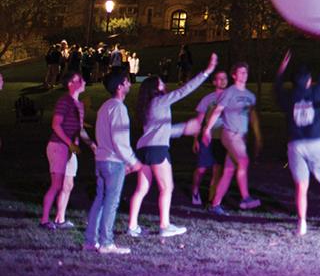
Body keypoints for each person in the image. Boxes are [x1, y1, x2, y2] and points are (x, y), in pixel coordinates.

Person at [128, 53, 219, 238]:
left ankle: (132, 226)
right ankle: (164, 225)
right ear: (155, 87)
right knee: (167, 188)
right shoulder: (161, 101)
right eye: (161, 83)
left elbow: (161, 130)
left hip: (143, 150)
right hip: (158, 150)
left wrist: (183, 129)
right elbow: (184, 91)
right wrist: (206, 72)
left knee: (141, 189)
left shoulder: (147, 106)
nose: (165, 85)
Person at [276, 39, 320, 236]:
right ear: (309, 80)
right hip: (315, 143)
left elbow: (277, 89)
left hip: (295, 145)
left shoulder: (288, 98)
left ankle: (302, 223)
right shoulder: (316, 93)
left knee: (301, 185)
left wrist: (280, 71)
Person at [86, 72, 144, 254]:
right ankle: (106, 242)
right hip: (113, 162)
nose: (129, 84)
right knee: (111, 203)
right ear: (120, 86)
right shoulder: (118, 108)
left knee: (100, 201)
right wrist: (133, 161)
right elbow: (120, 140)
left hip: (102, 159)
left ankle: (90, 241)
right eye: (127, 81)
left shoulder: (105, 107)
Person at [203, 62, 261, 213]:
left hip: (241, 137)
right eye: (241, 72)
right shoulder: (229, 92)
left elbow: (251, 116)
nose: (244, 75)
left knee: (229, 171)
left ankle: (215, 205)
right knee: (243, 161)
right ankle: (245, 197)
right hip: (229, 134)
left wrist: (256, 135)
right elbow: (217, 110)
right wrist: (207, 129)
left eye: (246, 72)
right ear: (234, 75)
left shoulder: (250, 96)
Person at [41, 71, 94, 229]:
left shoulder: (80, 105)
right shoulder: (64, 101)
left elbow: (80, 129)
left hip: (70, 148)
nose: (83, 81)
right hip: (58, 146)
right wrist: (69, 143)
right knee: (57, 184)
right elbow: (56, 125)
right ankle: (44, 220)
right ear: (70, 84)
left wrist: (92, 145)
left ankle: (60, 219)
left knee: (68, 184)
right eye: (79, 80)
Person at [189, 70, 229, 207]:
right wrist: (195, 139)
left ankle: (212, 201)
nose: (223, 81)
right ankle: (194, 189)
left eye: (225, 78)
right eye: (219, 79)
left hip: (222, 139)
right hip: (207, 138)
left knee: (218, 170)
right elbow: (199, 121)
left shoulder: (230, 98)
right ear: (214, 82)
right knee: (201, 169)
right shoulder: (208, 99)